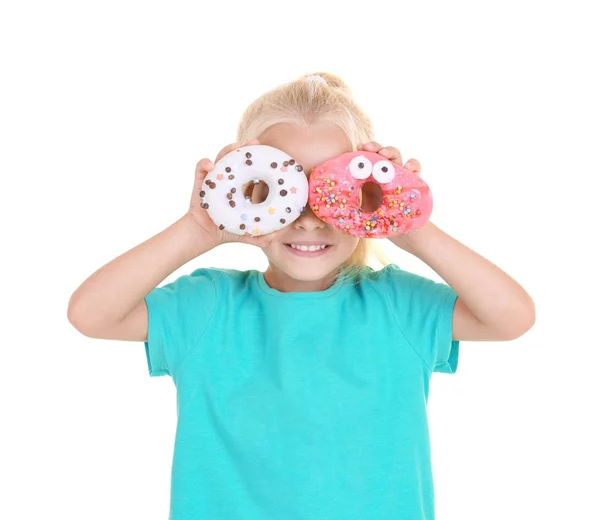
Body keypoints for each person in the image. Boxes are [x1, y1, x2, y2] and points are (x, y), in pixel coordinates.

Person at [67, 72, 536, 519]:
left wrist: (412, 226)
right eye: (282, 190)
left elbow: (511, 318)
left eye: (332, 190)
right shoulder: (209, 307)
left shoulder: (396, 305)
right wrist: (197, 229)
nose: (309, 218)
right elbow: (92, 315)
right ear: (245, 188)